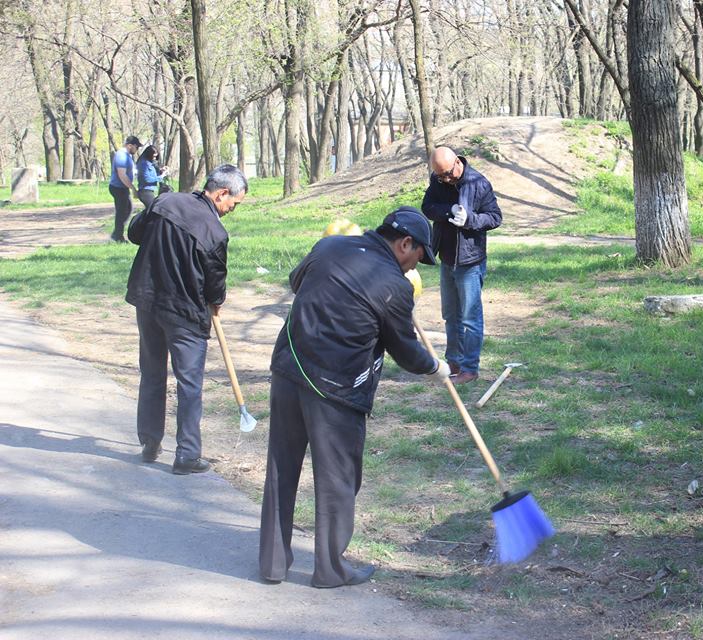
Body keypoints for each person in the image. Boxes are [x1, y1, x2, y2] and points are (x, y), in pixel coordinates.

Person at [259, 207, 450, 588]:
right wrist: (435, 367)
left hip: (289, 371)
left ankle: (272, 563)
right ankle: (330, 569)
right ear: (405, 244)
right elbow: (405, 351)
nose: (415, 268)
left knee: (282, 467)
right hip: (337, 390)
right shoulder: (394, 287)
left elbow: (298, 282)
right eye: (417, 260)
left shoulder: (330, 245)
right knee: (337, 479)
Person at [125, 164, 248, 475]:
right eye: (234, 203)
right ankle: (187, 455)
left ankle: (150, 441)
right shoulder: (215, 231)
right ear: (222, 193)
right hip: (184, 313)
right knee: (189, 383)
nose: (232, 209)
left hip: (148, 300)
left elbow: (134, 233)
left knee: (152, 372)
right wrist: (216, 302)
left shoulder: (164, 202)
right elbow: (215, 282)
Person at [421, 146, 502, 385]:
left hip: (470, 261)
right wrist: (449, 211)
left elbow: (495, 217)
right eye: (440, 176)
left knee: (470, 318)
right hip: (447, 258)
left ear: (457, 162)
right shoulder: (438, 181)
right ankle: (453, 362)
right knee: (450, 316)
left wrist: (471, 220)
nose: (445, 179)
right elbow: (427, 207)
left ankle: (470, 368)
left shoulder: (479, 183)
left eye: (447, 173)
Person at [109, 135, 142, 242]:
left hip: (123, 188)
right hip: (118, 188)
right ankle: (118, 236)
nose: (137, 150)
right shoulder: (121, 156)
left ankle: (116, 233)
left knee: (127, 210)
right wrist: (133, 188)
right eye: (136, 147)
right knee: (122, 211)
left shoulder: (127, 156)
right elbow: (122, 175)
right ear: (130, 145)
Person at [135, 145, 165, 210]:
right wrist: (161, 177)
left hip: (150, 190)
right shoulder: (143, 164)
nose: (154, 158)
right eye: (153, 156)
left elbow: (153, 174)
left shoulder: (150, 163)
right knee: (153, 210)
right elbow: (147, 179)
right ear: (149, 154)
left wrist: (161, 170)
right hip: (145, 191)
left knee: (151, 211)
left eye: (156, 156)